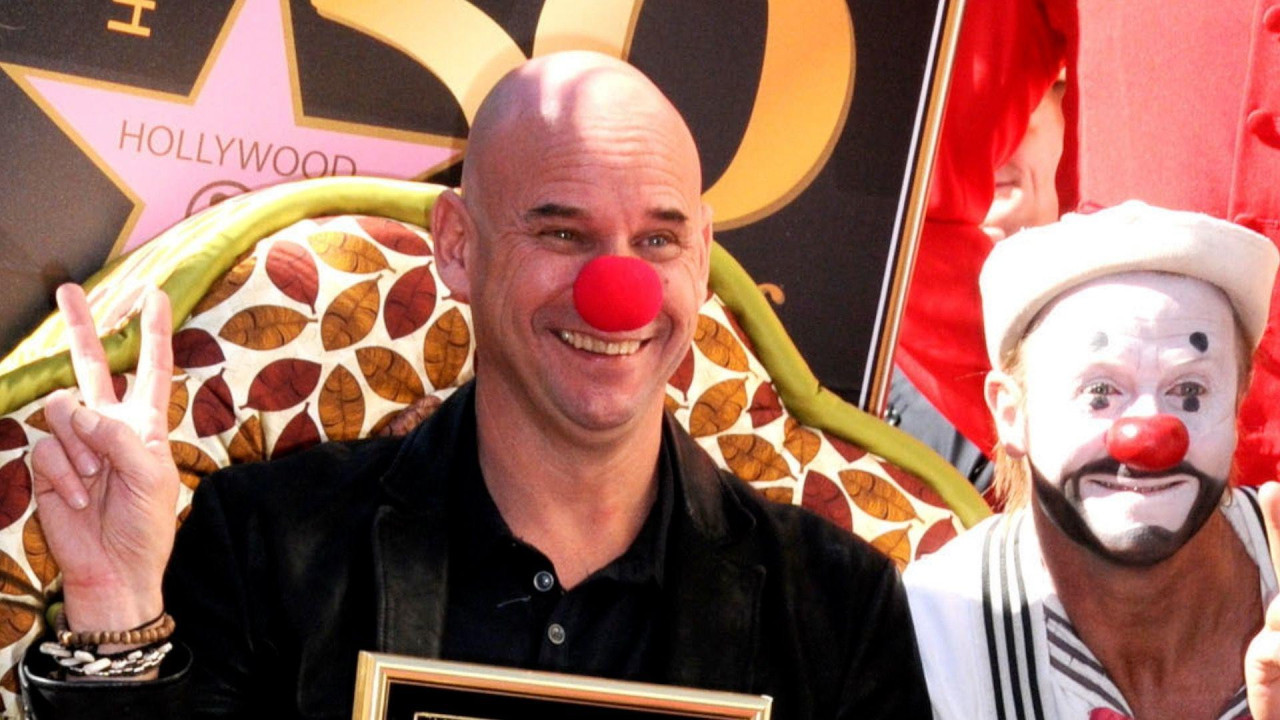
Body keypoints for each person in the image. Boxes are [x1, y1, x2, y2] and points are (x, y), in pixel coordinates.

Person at [18, 51, 931, 718]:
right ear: (459, 245)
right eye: (562, 234)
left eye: (657, 240)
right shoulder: (270, 546)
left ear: (702, 255)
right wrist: (114, 609)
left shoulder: (836, 608)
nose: (618, 296)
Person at [904, 201, 1280, 719]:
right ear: (1011, 413)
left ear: (1239, 405)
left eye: (1189, 392)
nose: (1148, 436)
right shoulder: (933, 637)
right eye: (1101, 392)